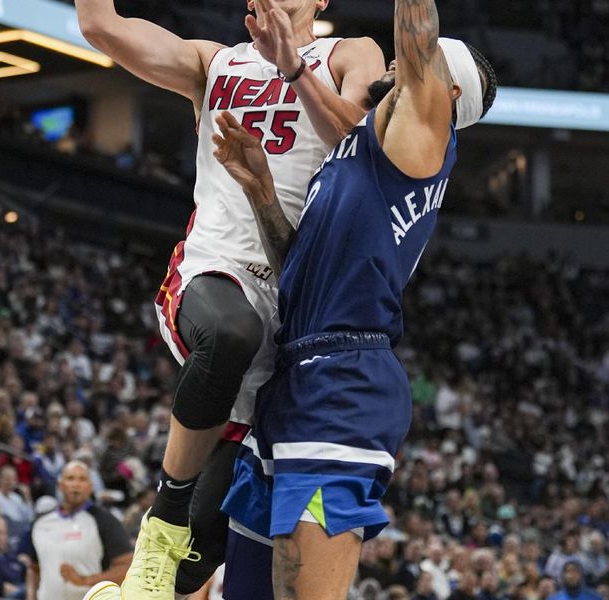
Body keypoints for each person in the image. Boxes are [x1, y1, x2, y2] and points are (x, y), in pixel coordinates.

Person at [74, 0, 387, 595]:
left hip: (294, 321)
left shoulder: (350, 53)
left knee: (195, 562)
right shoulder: (213, 63)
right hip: (214, 274)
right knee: (230, 333)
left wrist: (294, 67)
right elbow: (101, 27)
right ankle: (159, 523)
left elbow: (365, 152)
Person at [208, 0, 497, 594]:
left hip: (345, 381)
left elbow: (417, 36)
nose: (398, 61)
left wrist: (297, 67)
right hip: (296, 372)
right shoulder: (355, 159)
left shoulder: (420, 140)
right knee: (247, 587)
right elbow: (298, 271)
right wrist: (263, 192)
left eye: (420, 63)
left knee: (301, 585)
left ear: (442, 96)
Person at [26, 461, 132, 600]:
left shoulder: (105, 521)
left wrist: (85, 580)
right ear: (60, 485)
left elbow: (128, 568)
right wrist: (30, 595)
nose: (76, 484)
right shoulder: (40, 523)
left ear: (90, 487)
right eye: (70, 478)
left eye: (82, 479)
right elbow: (34, 569)